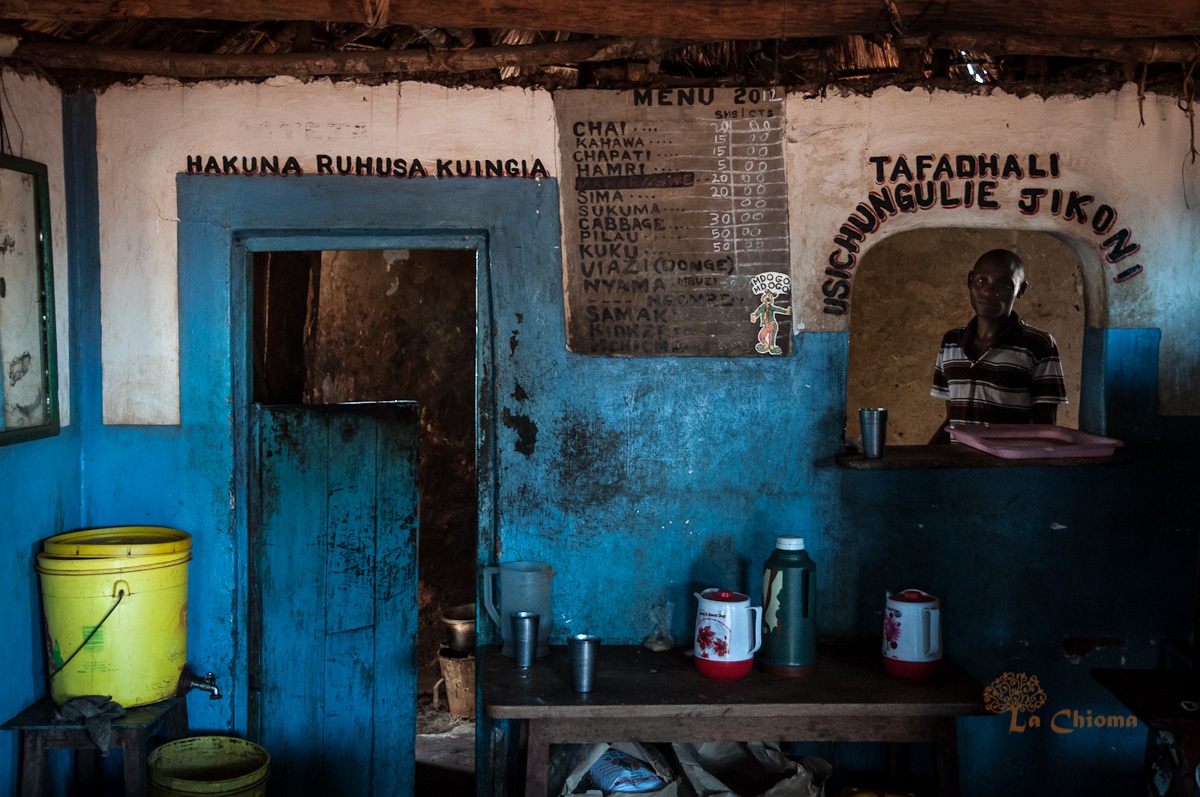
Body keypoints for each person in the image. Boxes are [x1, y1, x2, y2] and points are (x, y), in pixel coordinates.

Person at [929, 248, 1067, 443]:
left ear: (1021, 289)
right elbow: (953, 420)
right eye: (981, 281)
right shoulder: (951, 342)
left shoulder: (1038, 345)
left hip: (1007, 470)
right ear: (969, 281)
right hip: (959, 468)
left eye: (1005, 285)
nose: (989, 291)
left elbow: (1045, 425)